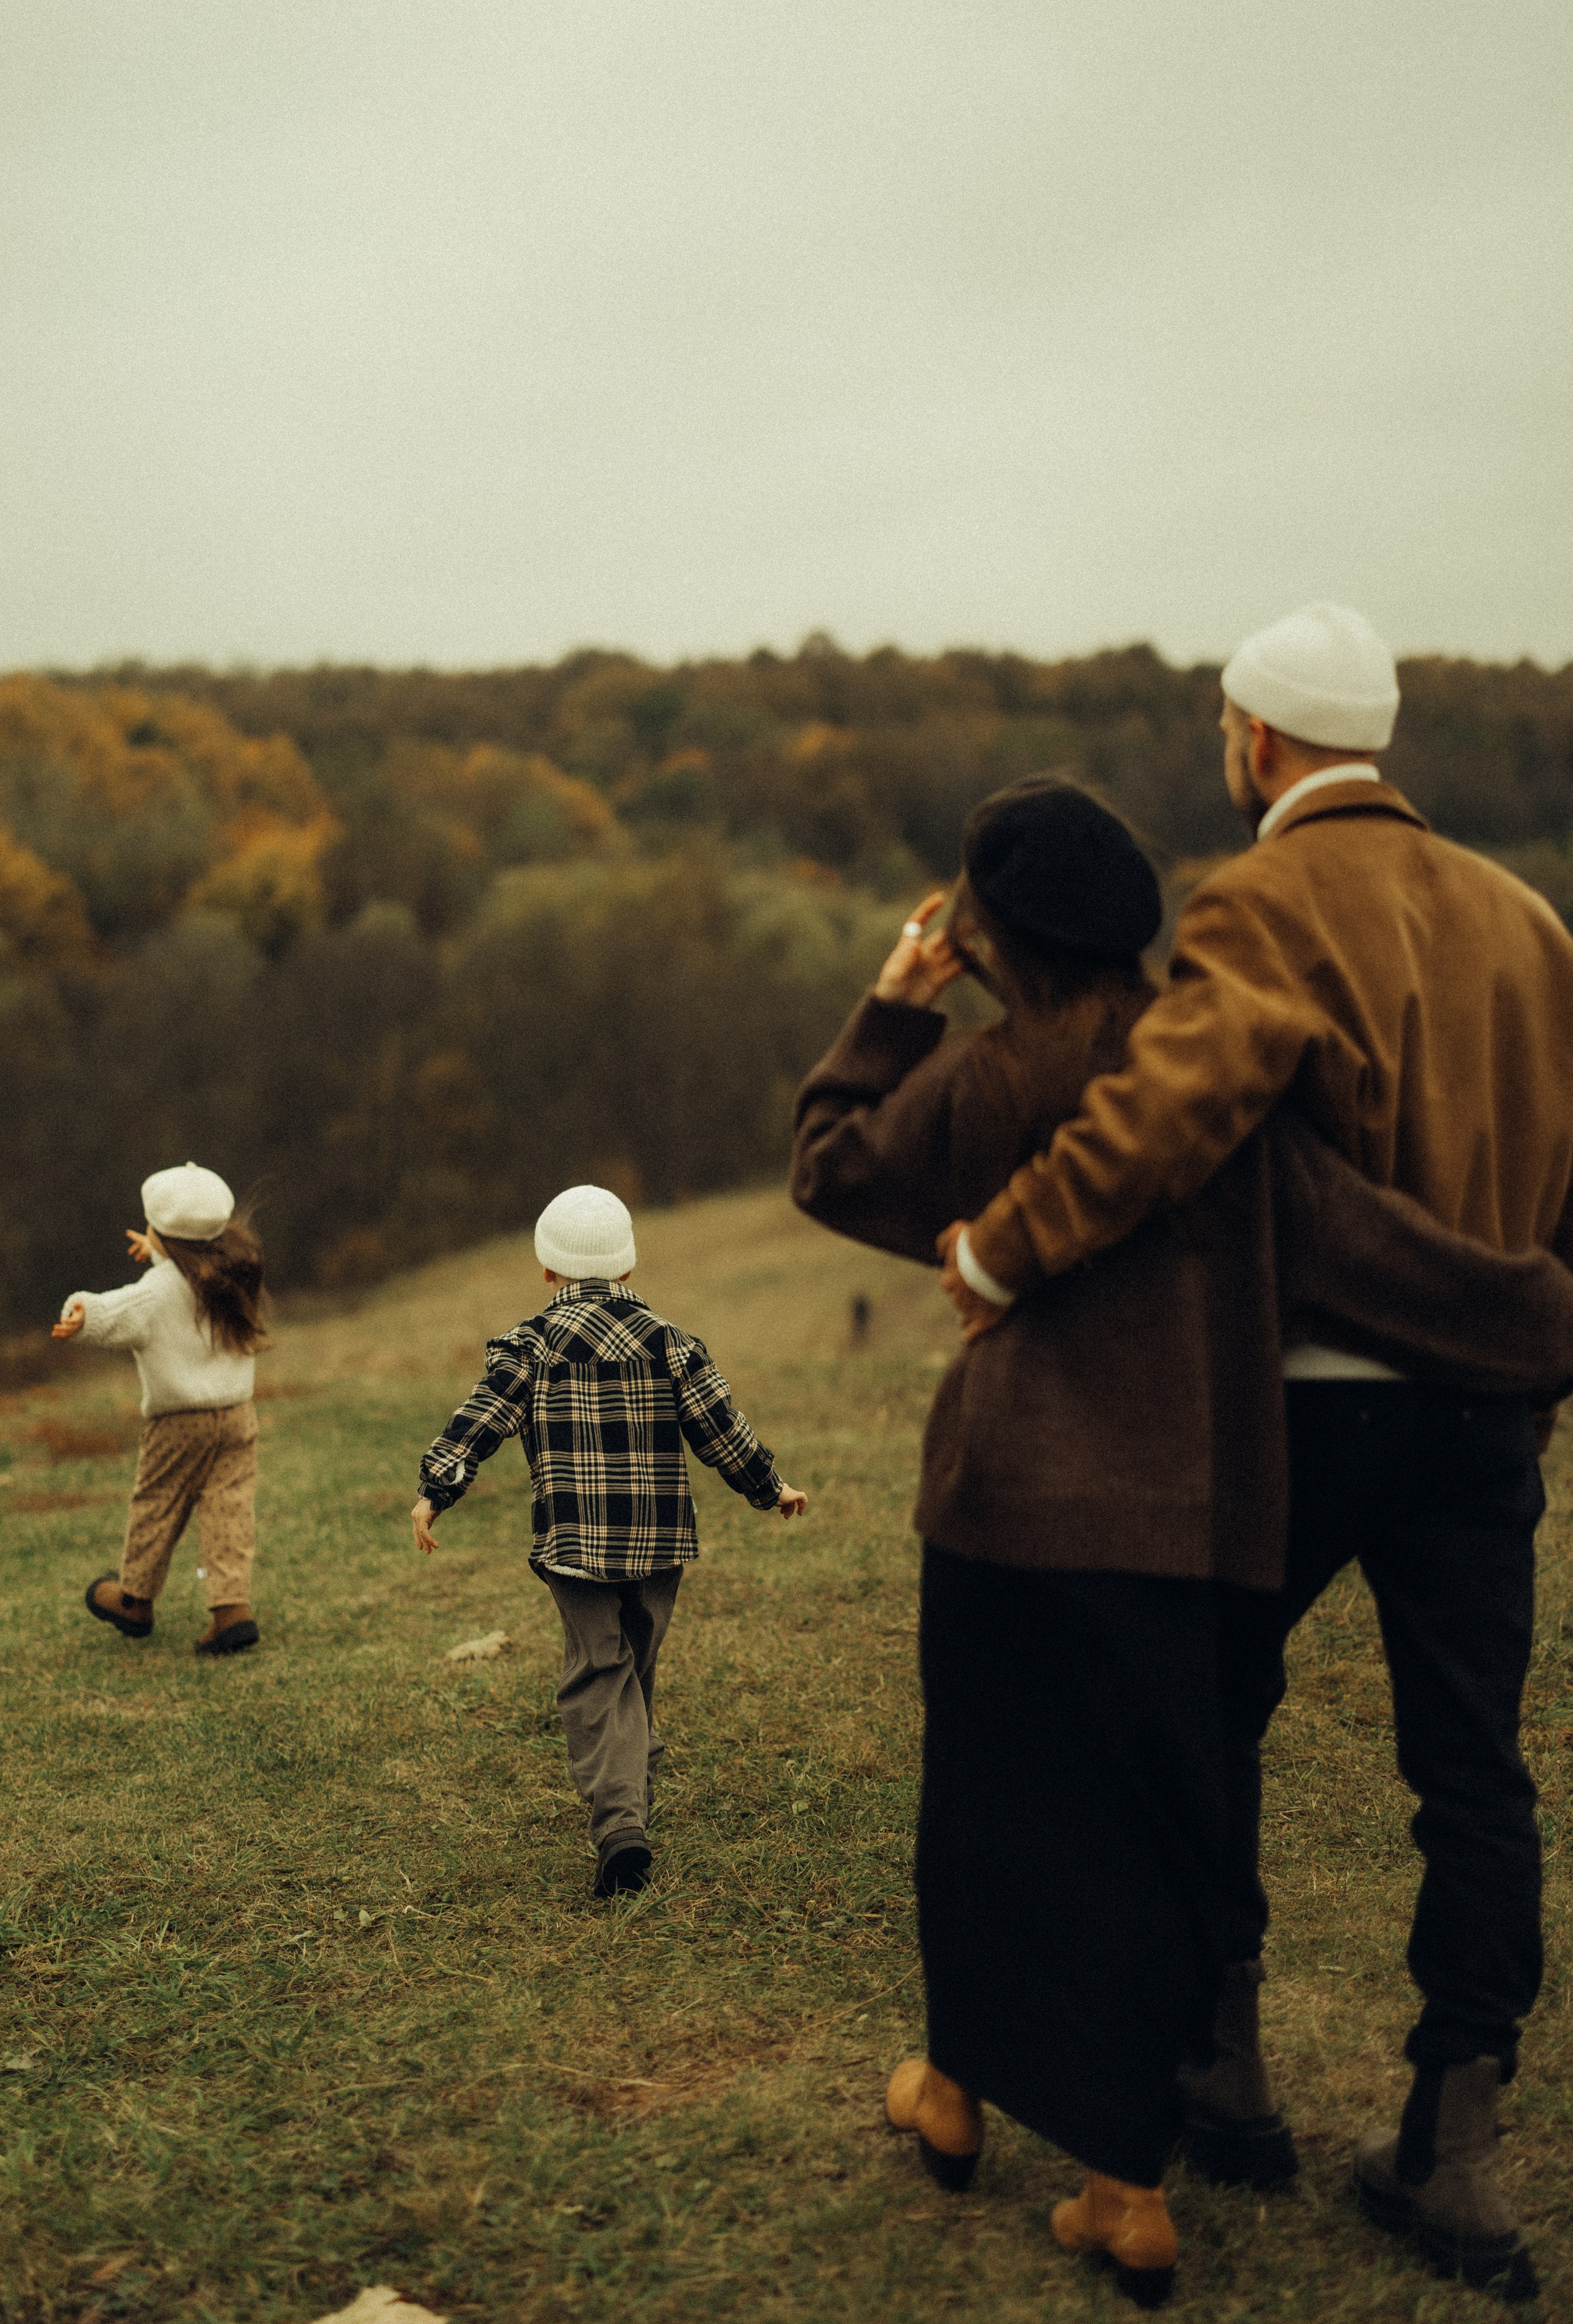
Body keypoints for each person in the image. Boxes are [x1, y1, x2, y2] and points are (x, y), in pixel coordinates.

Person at [791, 776, 1573, 2308]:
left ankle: (951, 2096)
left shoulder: (978, 1084)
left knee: (983, 1800)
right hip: (1180, 1518)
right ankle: (1127, 2185)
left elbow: (828, 1164)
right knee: (1156, 1822)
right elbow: (1376, 1252)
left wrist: (891, 1008)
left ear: (981, 933)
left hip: (1000, 1502)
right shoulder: (1231, 1100)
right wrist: (1533, 1314)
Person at [412, 1184, 807, 1900]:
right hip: (661, 1542)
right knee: (636, 1667)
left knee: (600, 1671)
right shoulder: (672, 1343)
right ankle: (631, 1800)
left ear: (545, 1271)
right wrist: (768, 1485)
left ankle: (621, 1824)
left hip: (574, 1541)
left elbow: (480, 1420)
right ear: (628, 1270)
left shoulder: (529, 1344)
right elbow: (720, 1426)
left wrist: (436, 1486)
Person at [56, 1161, 269, 1659]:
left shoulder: (156, 1292)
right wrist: (160, 1251)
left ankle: (134, 1600)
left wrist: (81, 1310)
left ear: (161, 1231)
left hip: (179, 1422)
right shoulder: (236, 1271)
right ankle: (231, 1611)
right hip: (238, 1416)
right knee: (228, 1508)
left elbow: (120, 1312)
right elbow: (183, 1279)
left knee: (158, 1503)